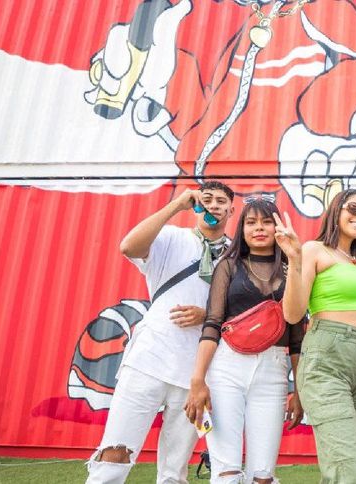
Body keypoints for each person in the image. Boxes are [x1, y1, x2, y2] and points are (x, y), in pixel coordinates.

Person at [86, 181, 235, 484]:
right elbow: (128, 247)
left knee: (174, 470)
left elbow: (244, 310)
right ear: (197, 205)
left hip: (197, 374)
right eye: (207, 199)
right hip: (148, 361)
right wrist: (176, 205)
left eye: (221, 201)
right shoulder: (171, 237)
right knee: (115, 452)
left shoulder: (237, 256)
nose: (214, 205)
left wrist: (207, 315)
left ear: (231, 211)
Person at [183, 198, 305, 484]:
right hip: (226, 368)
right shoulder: (228, 266)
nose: (259, 228)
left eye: (267, 222)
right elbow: (212, 324)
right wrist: (197, 380)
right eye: (251, 222)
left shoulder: (292, 269)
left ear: (278, 227)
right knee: (226, 471)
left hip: (274, 371)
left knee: (263, 475)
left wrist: (300, 390)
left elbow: (297, 337)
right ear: (241, 228)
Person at [279, 189, 356, 483]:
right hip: (326, 360)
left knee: (348, 465)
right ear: (336, 210)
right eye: (353, 209)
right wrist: (295, 260)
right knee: (352, 471)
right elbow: (293, 314)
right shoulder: (314, 250)